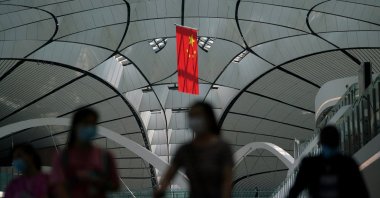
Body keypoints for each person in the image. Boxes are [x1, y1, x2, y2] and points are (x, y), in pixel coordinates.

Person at [154, 102, 233, 198]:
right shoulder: (185, 150)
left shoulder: (222, 148)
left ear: (208, 118)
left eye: (198, 116)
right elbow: (170, 173)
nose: (194, 120)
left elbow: (227, 180)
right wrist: (161, 189)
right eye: (191, 116)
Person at [50, 108, 119, 198]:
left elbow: (115, 185)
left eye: (93, 124)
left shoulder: (105, 156)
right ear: (75, 126)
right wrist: (78, 178)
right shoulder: (63, 156)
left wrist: (97, 180)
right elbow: (59, 187)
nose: (90, 128)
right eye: (86, 123)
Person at [287, 125, 369, 198]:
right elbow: (362, 192)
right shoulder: (348, 163)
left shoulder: (310, 164)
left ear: (321, 143)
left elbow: (295, 190)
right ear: (338, 142)